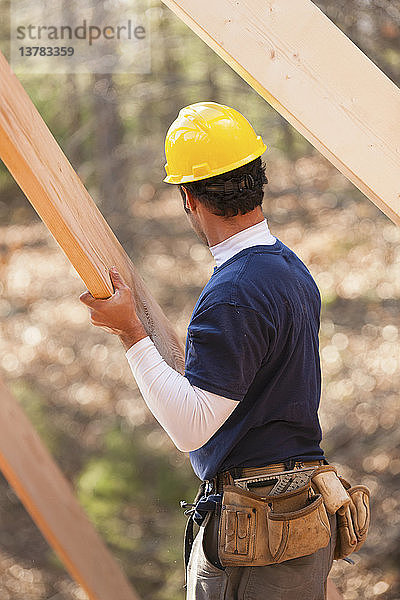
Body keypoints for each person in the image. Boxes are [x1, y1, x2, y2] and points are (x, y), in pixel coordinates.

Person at [80, 102, 339, 599]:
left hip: (257, 532)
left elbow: (191, 427)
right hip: (298, 516)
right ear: (256, 177)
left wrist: (131, 332)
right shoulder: (290, 270)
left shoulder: (234, 292)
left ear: (188, 198)